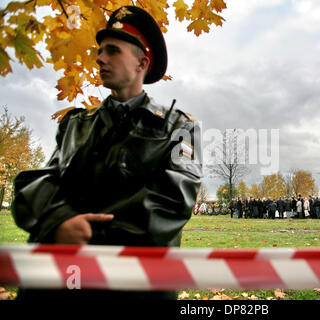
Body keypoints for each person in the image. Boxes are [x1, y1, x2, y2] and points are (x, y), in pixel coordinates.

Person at [11, 6, 202, 301]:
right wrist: (60, 221)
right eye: (100, 50)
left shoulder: (178, 127)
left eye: (112, 51)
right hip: (64, 284)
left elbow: (172, 200)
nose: (100, 58)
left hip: (133, 286)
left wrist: (85, 233)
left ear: (142, 62)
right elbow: (39, 184)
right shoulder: (75, 125)